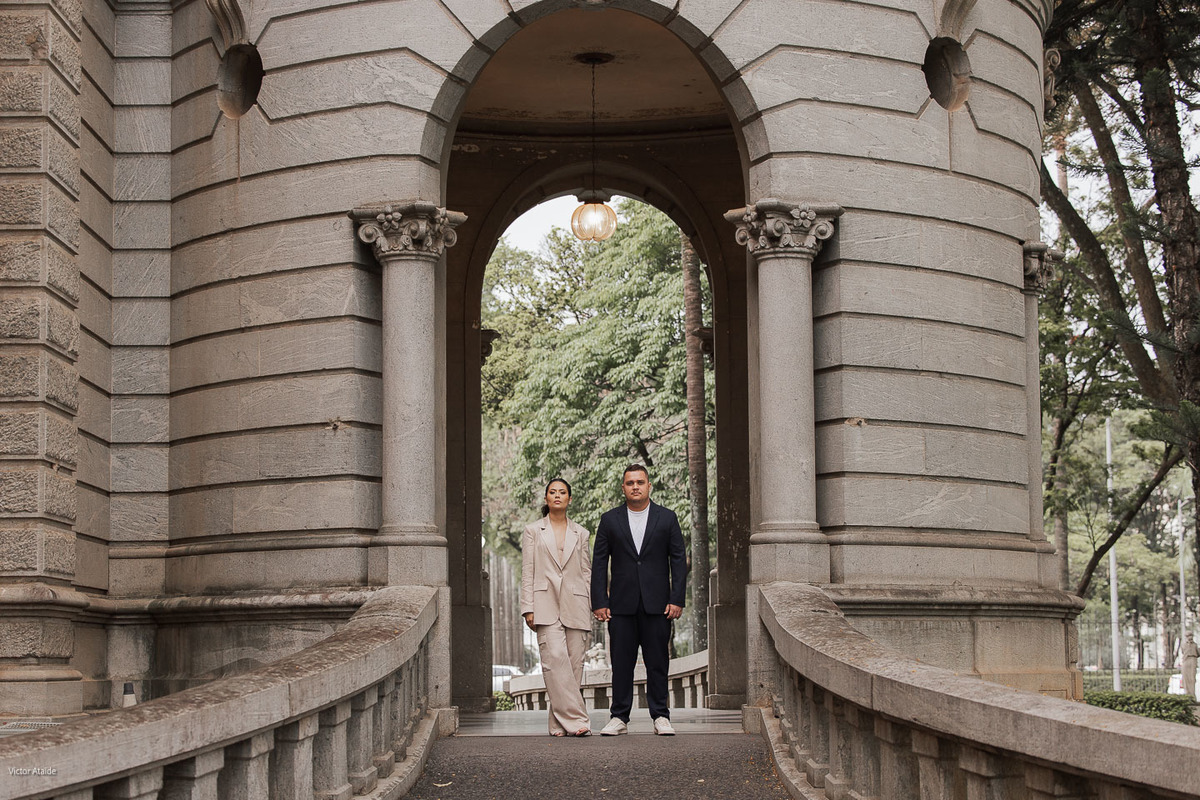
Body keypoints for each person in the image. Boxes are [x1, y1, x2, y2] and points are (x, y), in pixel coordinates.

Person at [591, 464, 688, 736]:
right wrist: (599, 600)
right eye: (630, 482)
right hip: (620, 606)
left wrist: (677, 598)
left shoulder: (667, 518)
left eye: (640, 482)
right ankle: (619, 717)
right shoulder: (609, 520)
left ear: (649, 486)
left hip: (658, 605)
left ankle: (661, 716)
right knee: (621, 663)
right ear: (623, 487)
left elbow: (678, 561)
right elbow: (599, 563)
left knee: (658, 662)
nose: (635, 486)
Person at [520, 478, 593, 736]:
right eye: (553, 492)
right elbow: (528, 571)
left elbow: (586, 571)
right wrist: (528, 607)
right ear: (546, 498)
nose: (558, 496)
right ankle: (576, 721)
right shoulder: (532, 531)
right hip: (544, 604)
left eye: (563, 492)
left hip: (577, 603)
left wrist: (594, 604)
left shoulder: (581, 533)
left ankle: (557, 723)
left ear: (570, 499)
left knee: (574, 667)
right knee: (554, 662)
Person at [1182, 632, 1198, 700]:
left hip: (1193, 659)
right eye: (1188, 636)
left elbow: (1198, 653)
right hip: (1186, 660)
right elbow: (1183, 652)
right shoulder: (1184, 645)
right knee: (1186, 678)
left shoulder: (1195, 645)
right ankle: (1187, 694)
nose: (1190, 637)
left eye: (1191, 635)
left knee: (1192, 678)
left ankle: (1192, 695)